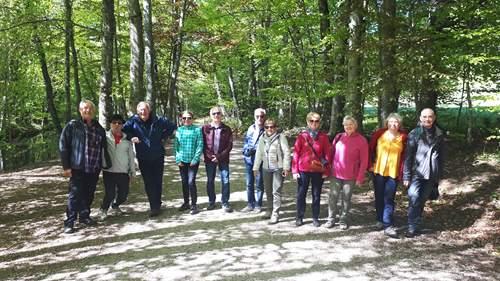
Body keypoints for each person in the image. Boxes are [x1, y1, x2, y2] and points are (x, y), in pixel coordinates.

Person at [59, 100, 111, 234]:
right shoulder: (73, 125)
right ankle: (69, 222)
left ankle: (84, 216)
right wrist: (66, 167)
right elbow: (63, 145)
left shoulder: (98, 128)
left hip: (93, 167)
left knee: (89, 193)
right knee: (74, 195)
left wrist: (104, 163)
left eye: (89, 108)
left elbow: (104, 147)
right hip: (78, 166)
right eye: (84, 108)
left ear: (93, 111)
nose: (87, 110)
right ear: (80, 111)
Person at [122, 101, 177, 217]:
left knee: (157, 181)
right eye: (141, 110)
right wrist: (132, 137)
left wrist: (162, 136)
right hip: (143, 156)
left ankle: (157, 202)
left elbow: (172, 126)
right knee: (148, 182)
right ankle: (154, 206)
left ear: (149, 110)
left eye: (145, 109)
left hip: (158, 155)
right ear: (137, 111)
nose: (143, 112)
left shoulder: (158, 120)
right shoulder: (133, 120)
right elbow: (124, 130)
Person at [403, 108, 446, 238]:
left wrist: (439, 176)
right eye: (425, 117)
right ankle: (411, 226)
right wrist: (406, 175)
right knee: (414, 197)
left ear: (434, 118)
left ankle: (415, 224)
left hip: (432, 174)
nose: (427, 119)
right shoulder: (414, 134)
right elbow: (408, 156)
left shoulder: (439, 134)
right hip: (417, 172)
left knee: (421, 200)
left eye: (430, 117)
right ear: (420, 118)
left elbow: (442, 156)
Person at [368, 113, 408, 238]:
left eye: (396, 122)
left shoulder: (404, 137)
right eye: (391, 122)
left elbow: (406, 156)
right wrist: (370, 164)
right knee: (379, 197)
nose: (393, 124)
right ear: (387, 123)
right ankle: (380, 219)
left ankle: (387, 224)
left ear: (399, 124)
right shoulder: (379, 134)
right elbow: (370, 149)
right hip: (378, 171)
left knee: (389, 198)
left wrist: (405, 173)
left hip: (393, 173)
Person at [326, 115, 368, 230]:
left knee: (346, 199)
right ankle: (331, 219)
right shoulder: (339, 137)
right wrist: (327, 170)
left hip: (350, 176)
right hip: (335, 173)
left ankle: (343, 220)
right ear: (343, 126)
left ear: (355, 126)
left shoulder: (361, 140)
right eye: (346, 124)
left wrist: (360, 177)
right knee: (332, 197)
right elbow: (331, 154)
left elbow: (364, 161)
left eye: (351, 124)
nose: (348, 126)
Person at [292, 112, 331, 227]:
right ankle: (299, 217)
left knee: (316, 195)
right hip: (303, 170)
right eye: (311, 121)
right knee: (301, 194)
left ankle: (315, 217)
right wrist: (295, 170)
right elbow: (296, 153)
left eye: (317, 121)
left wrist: (326, 171)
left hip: (317, 171)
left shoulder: (323, 137)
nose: (314, 123)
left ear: (319, 122)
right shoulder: (302, 136)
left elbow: (328, 155)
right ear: (307, 122)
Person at [98, 114, 136, 221]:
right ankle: (103, 209)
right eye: (114, 122)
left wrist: (133, 172)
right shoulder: (104, 137)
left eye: (119, 123)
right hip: (108, 171)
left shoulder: (127, 140)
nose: (117, 125)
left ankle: (115, 205)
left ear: (122, 125)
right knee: (109, 193)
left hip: (123, 171)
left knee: (123, 195)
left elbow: (131, 156)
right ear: (110, 124)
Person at [253, 118, 291, 224]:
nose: (270, 129)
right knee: (268, 191)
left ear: (275, 127)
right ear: (264, 128)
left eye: (272, 126)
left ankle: (275, 213)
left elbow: (287, 152)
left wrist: (286, 168)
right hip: (266, 168)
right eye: (267, 127)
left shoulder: (281, 137)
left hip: (278, 169)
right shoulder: (262, 138)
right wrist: (255, 167)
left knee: (276, 191)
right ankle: (269, 210)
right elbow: (259, 153)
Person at [201, 106, 234, 213]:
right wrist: (211, 156)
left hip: (223, 158)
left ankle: (225, 202)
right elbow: (203, 145)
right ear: (211, 115)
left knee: (226, 180)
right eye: (214, 113)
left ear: (221, 115)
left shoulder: (227, 129)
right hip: (209, 159)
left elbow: (229, 145)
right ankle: (211, 202)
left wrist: (219, 157)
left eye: (218, 113)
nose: (216, 115)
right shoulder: (205, 128)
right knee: (210, 180)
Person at [174, 111, 203, 215]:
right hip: (182, 161)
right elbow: (176, 146)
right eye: (184, 118)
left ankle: (194, 205)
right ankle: (186, 203)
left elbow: (200, 145)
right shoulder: (179, 130)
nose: (186, 120)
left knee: (191, 182)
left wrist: (195, 159)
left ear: (192, 119)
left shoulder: (197, 130)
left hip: (193, 161)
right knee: (184, 182)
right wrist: (177, 159)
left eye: (189, 118)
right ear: (181, 119)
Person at [241, 108, 266, 213]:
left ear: (265, 117)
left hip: (260, 161)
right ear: (254, 117)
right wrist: (245, 150)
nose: (259, 118)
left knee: (259, 183)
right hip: (249, 160)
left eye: (262, 116)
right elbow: (247, 141)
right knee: (249, 183)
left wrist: (255, 149)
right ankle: (250, 204)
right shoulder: (251, 128)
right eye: (257, 116)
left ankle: (258, 205)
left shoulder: (268, 129)